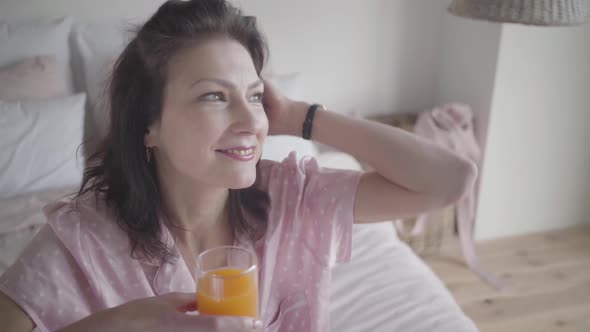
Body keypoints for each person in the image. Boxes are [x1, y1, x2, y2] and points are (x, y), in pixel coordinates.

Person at [0, 0, 477, 331]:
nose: (252, 120)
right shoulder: (82, 239)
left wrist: (301, 117)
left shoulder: (292, 198)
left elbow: (451, 180)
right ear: (150, 126)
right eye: (214, 96)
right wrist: (126, 323)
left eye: (253, 95)